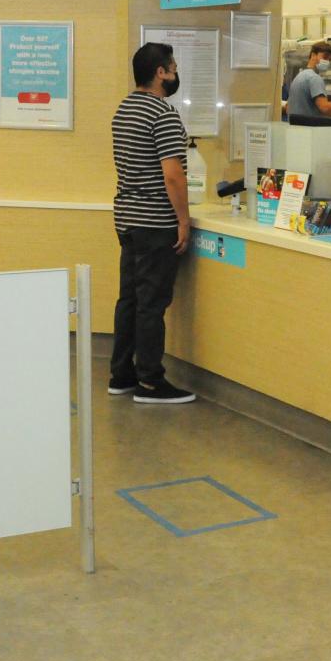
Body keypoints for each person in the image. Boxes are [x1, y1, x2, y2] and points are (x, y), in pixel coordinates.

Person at [108, 42, 196, 404]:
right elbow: (172, 174)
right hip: (154, 222)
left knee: (129, 298)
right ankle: (150, 380)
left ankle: (122, 374)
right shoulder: (163, 113)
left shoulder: (125, 109)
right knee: (151, 303)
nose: (175, 74)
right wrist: (183, 220)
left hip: (127, 218)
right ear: (160, 72)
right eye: (172, 67)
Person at [285, 41, 331, 120]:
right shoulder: (314, 78)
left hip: (296, 128)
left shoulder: (299, 76)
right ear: (313, 55)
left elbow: (287, 108)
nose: (327, 62)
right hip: (308, 129)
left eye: (329, 60)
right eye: (325, 57)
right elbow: (325, 108)